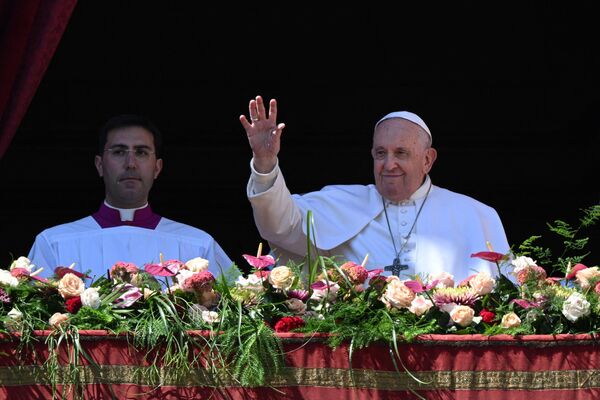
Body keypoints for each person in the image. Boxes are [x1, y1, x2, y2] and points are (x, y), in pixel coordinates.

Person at [240, 95, 510, 281]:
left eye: (401, 153)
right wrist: (265, 164)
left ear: (427, 159)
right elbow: (280, 225)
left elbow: (507, 299)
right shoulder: (342, 202)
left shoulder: (474, 215)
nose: (389, 164)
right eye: (381, 153)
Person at [28, 114, 232, 280]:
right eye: (118, 152)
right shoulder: (54, 243)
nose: (131, 163)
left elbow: (245, 307)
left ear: (157, 168)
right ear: (100, 165)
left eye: (142, 152)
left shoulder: (197, 244)